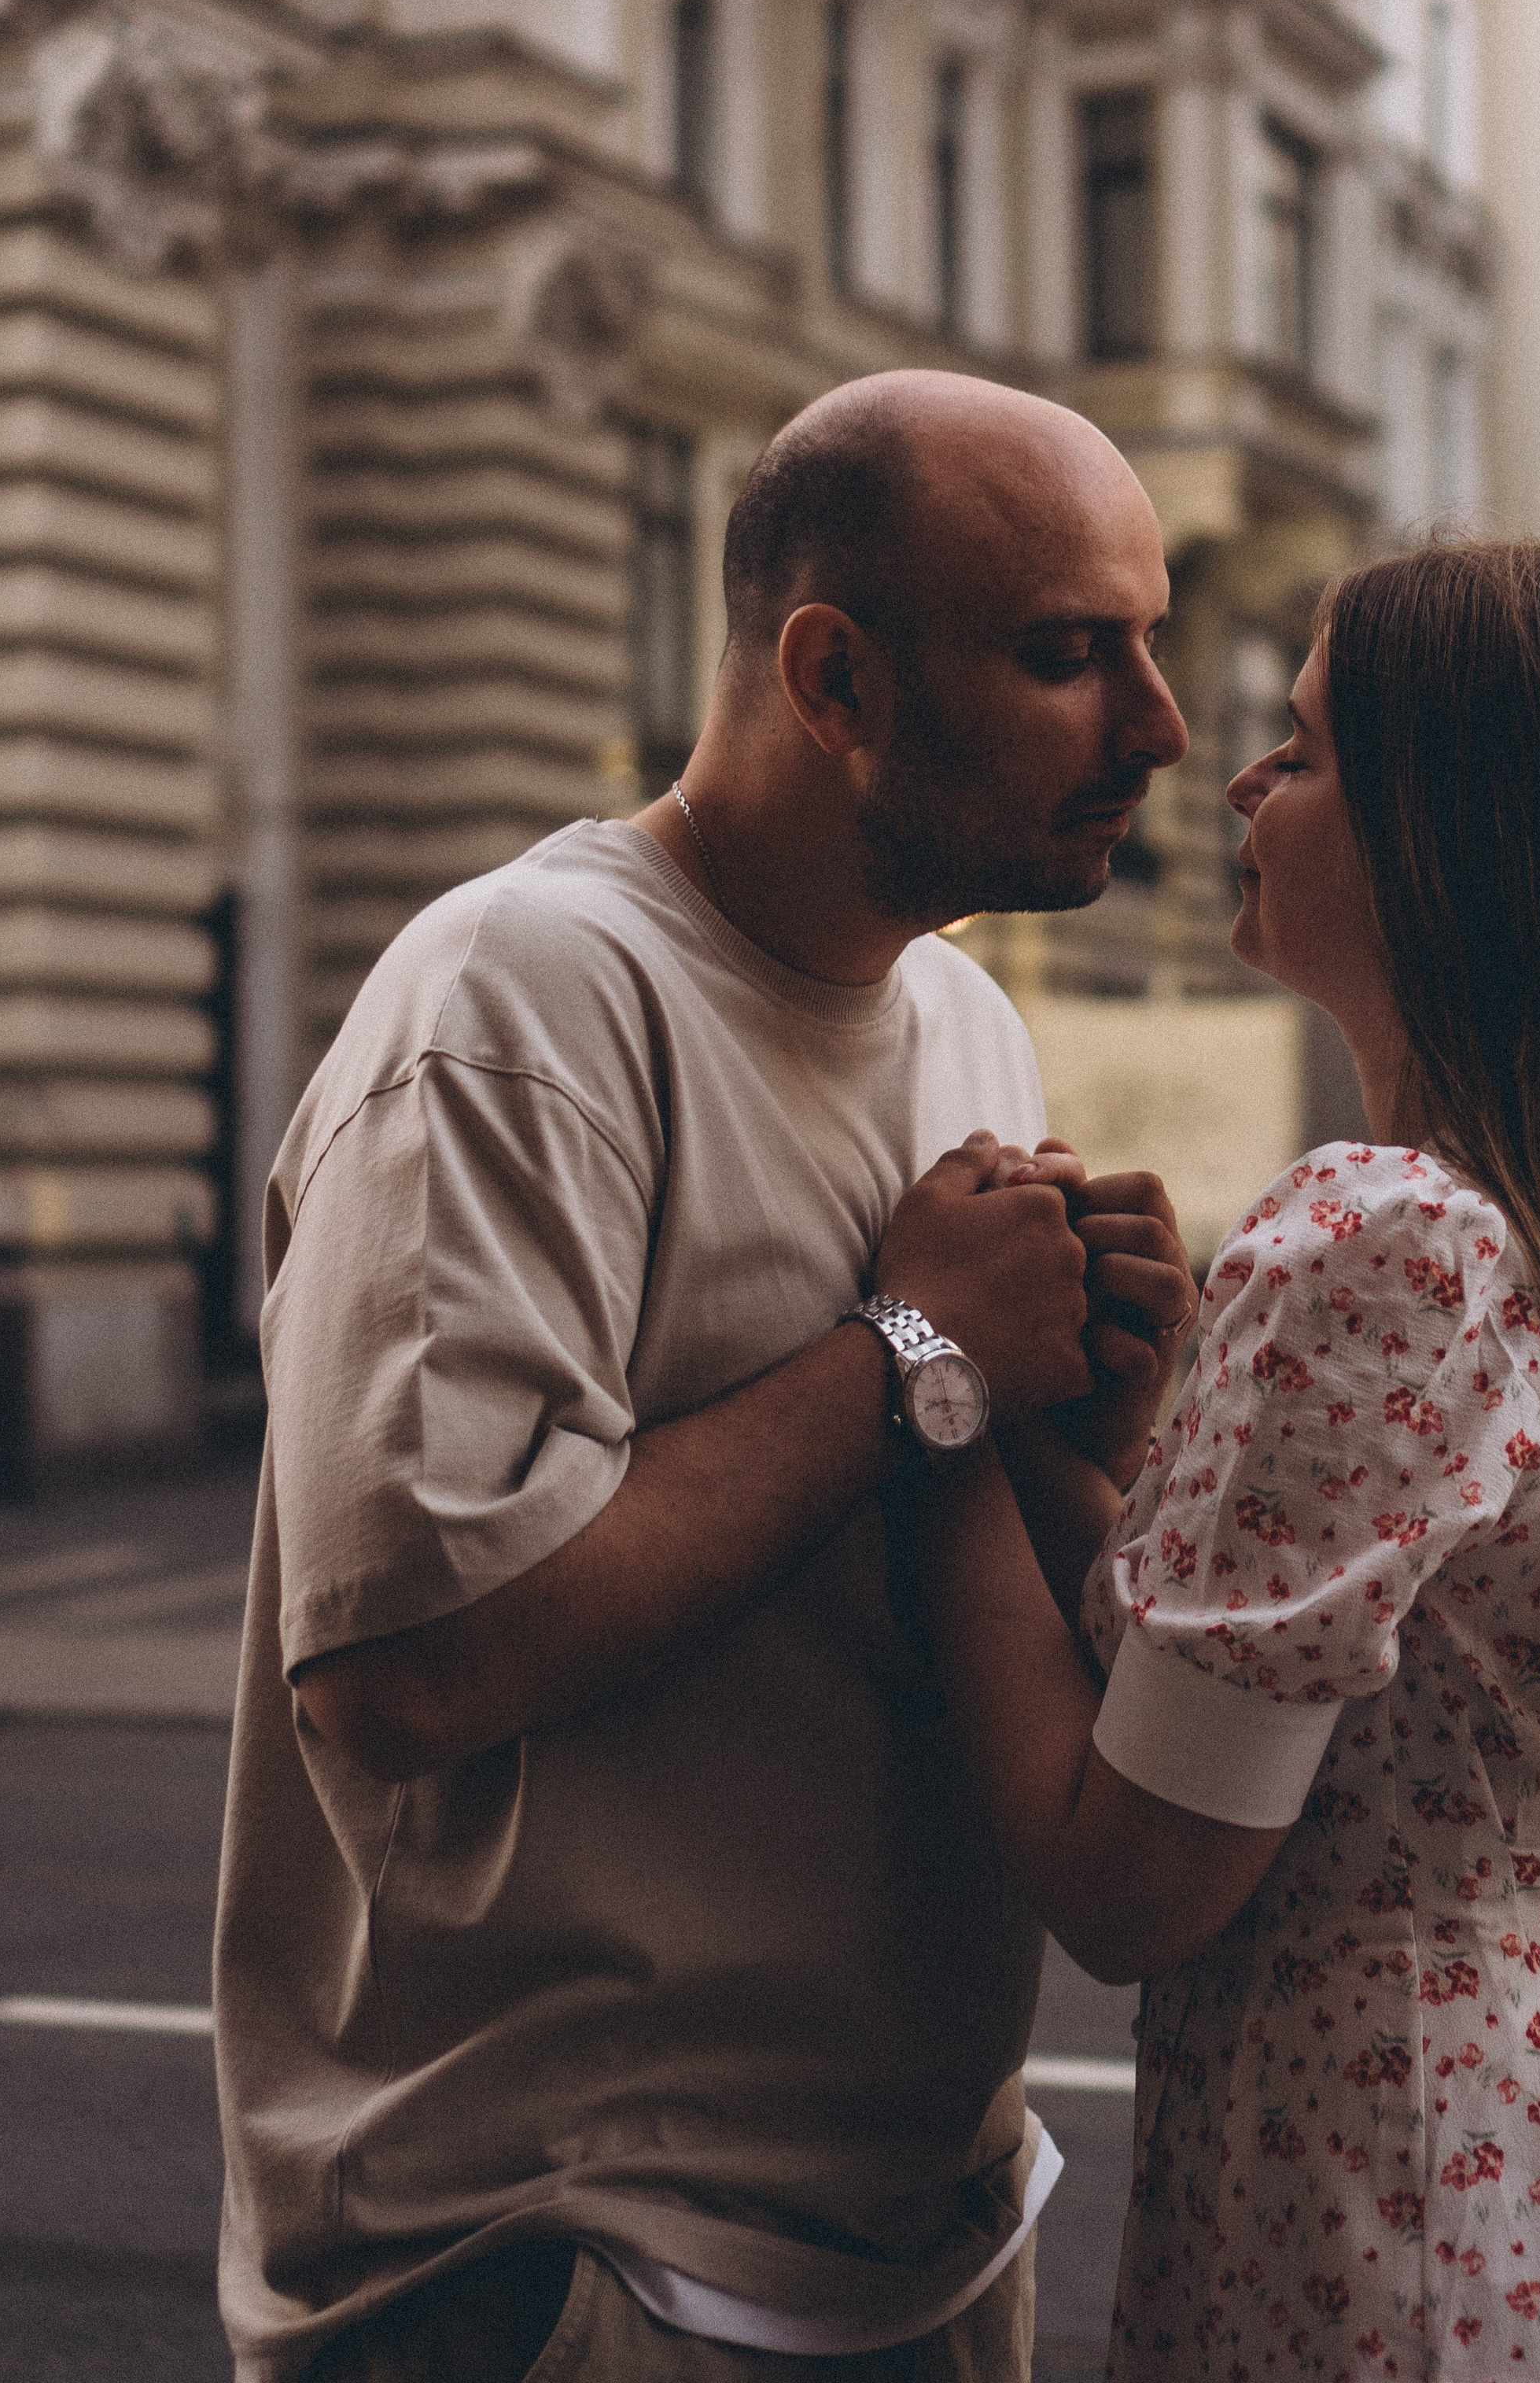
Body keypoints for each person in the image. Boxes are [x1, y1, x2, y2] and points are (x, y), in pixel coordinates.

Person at [212, 370, 1198, 2383]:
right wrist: (919, 1349)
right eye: (1066, 656)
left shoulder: (967, 1022)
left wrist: (1088, 1432)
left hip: (916, 2237)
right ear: (832, 680)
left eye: (1148, 650)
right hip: (569, 2268)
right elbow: (407, 1661)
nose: (1159, 729)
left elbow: (931, 1535)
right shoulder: (521, 1001)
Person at [916, 540, 1540, 2383]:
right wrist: (1093, 1451)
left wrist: (923, 1379)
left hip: (1403, 2223)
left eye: (1306, 746)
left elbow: (1127, 1883)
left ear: (1454, 835)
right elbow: (1317, 1728)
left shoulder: (1384, 1238)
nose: (1238, 777)